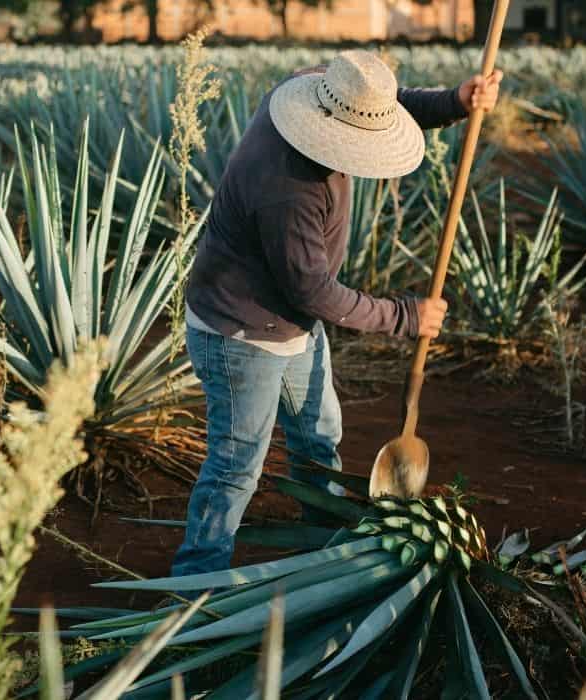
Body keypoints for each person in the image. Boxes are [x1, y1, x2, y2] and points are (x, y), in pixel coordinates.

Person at [173, 50, 502, 577]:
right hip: (240, 334)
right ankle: (193, 588)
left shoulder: (312, 92)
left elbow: (383, 105)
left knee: (318, 439)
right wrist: (404, 317)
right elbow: (315, 293)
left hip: (290, 327)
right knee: (236, 466)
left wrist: (452, 102)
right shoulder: (288, 192)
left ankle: (320, 557)